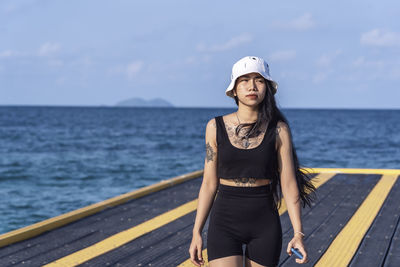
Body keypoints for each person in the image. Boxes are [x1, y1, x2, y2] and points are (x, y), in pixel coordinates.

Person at [189, 56, 317, 267]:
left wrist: (298, 233)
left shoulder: (279, 129)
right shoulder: (215, 127)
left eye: (258, 80)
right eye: (244, 80)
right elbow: (209, 184)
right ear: (234, 89)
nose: (252, 86)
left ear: (267, 87)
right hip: (224, 222)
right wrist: (196, 232)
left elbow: (288, 184)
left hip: (264, 223)